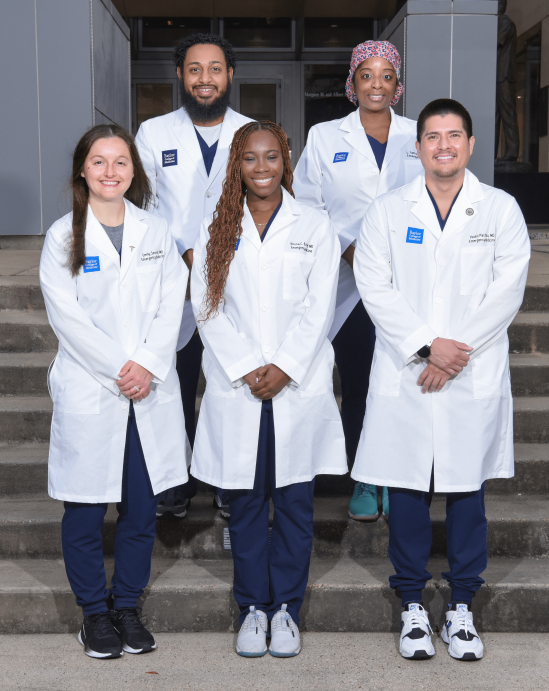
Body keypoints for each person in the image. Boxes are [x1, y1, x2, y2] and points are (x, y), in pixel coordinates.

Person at [351, 99, 530, 661]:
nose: (444, 145)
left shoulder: (499, 209)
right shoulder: (386, 210)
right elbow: (374, 287)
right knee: (406, 487)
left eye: (455, 135)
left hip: (468, 370)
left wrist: (454, 352)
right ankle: (410, 606)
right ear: (419, 145)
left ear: (471, 145)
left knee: (466, 489)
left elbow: (507, 290)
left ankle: (460, 608)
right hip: (410, 369)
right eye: (433, 136)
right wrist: (428, 347)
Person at [189, 121, 346, 658]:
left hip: (295, 384)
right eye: (250, 159)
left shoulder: (316, 225)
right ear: (237, 165)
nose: (262, 168)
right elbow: (206, 309)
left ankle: (287, 611)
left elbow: (319, 305)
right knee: (248, 503)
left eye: (272, 157)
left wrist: (284, 366)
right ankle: (254, 607)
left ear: (287, 162)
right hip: (241, 386)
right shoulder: (215, 226)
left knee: (296, 505)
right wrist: (248, 366)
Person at [40, 124, 190, 659]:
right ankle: (94, 614)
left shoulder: (155, 231)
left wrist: (147, 363)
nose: (110, 172)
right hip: (93, 387)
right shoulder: (63, 236)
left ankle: (126, 606)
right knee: (83, 512)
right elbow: (68, 318)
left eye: (120, 162)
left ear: (134, 170)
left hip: (145, 388)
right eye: (99, 162)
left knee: (141, 511)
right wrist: (121, 368)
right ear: (82, 169)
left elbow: (174, 300)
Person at [293, 40, 422, 522]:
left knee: (401, 382)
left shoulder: (417, 135)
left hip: (406, 280)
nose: (376, 84)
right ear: (353, 82)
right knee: (359, 381)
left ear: (397, 85)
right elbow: (308, 204)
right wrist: (345, 248)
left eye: (386, 75)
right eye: (366, 75)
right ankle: (364, 478)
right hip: (347, 283)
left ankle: (397, 476)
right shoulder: (326, 136)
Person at [135, 33, 254, 519]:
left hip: (238, 281)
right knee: (176, 385)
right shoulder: (153, 133)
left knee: (230, 386)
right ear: (181, 76)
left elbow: (269, 203)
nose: (205, 79)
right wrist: (181, 259)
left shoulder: (253, 132)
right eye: (195, 69)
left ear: (230, 75)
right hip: (173, 282)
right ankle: (176, 481)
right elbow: (140, 207)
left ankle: (229, 482)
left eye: (215, 69)